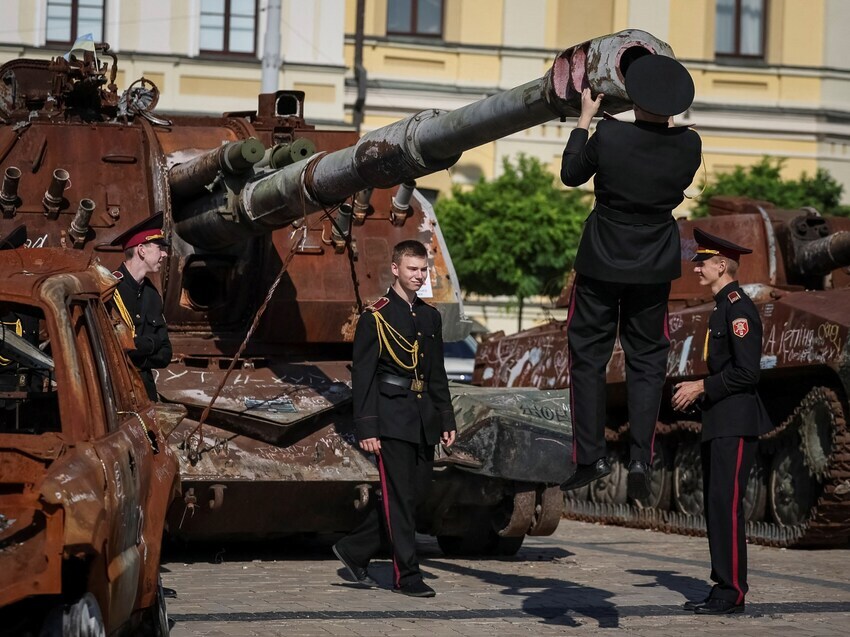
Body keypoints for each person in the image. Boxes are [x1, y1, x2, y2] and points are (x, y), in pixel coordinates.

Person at [559, 54, 703, 500]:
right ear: (675, 106)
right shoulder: (690, 144)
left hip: (602, 257)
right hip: (654, 263)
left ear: (633, 99)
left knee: (588, 356)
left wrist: (584, 120)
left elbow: (571, 174)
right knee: (646, 362)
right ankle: (641, 456)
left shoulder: (611, 133)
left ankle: (591, 456)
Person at [333, 239, 456, 598]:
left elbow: (437, 375)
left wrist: (446, 419)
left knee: (411, 497)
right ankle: (407, 576)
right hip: (390, 418)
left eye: (423, 269)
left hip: (423, 419)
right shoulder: (377, 316)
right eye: (413, 269)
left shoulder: (431, 317)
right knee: (401, 499)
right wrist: (367, 427)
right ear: (396, 269)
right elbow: (364, 376)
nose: (419, 276)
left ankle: (355, 549)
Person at [671, 228, 773, 615]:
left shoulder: (739, 308)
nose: (696, 267)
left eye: (702, 262)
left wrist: (701, 386)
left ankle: (732, 592)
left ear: (720, 265)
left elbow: (747, 373)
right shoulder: (722, 308)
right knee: (716, 504)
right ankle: (723, 588)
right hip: (721, 420)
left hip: (736, 421)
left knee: (726, 506)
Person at [110, 213, 172, 402]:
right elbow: (110, 350)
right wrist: (150, 344)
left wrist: (138, 351)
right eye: (159, 248)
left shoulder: (152, 296)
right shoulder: (108, 291)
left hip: (145, 393)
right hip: (116, 393)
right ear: (141, 250)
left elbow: (166, 353)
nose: (165, 254)